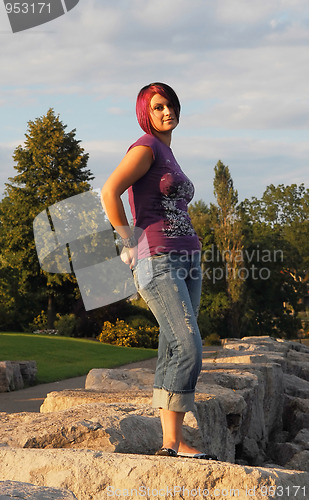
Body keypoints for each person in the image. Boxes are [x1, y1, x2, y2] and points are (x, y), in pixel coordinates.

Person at [101, 82, 217, 460]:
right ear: (145, 114)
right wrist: (129, 242)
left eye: (170, 105)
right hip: (158, 260)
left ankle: (172, 442)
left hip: (188, 260)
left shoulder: (168, 153)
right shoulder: (146, 147)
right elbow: (110, 191)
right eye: (158, 107)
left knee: (172, 347)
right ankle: (171, 440)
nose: (167, 111)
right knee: (189, 347)